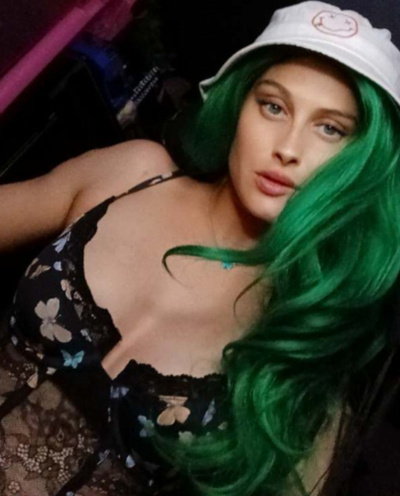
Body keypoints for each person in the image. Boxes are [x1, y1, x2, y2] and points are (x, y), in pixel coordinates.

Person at [0, 1, 400, 495]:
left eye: (330, 129)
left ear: (364, 162)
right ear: (238, 104)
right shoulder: (132, 174)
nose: (288, 148)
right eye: (273, 106)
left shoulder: (304, 346)